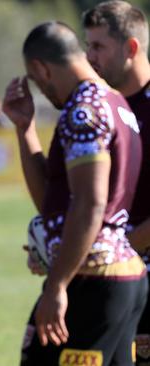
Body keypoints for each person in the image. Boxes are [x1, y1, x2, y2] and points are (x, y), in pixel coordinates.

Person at [2, 21, 148, 365]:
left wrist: (57, 285)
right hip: (122, 275)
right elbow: (54, 200)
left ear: (40, 69)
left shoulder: (84, 111)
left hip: (93, 278)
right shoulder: (116, 102)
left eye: (36, 82)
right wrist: (25, 130)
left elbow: (90, 203)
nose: (41, 90)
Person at [82, 2, 150, 364]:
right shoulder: (100, 107)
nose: (89, 57)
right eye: (87, 46)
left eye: (98, 47)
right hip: (115, 276)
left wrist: (121, 249)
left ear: (131, 48)